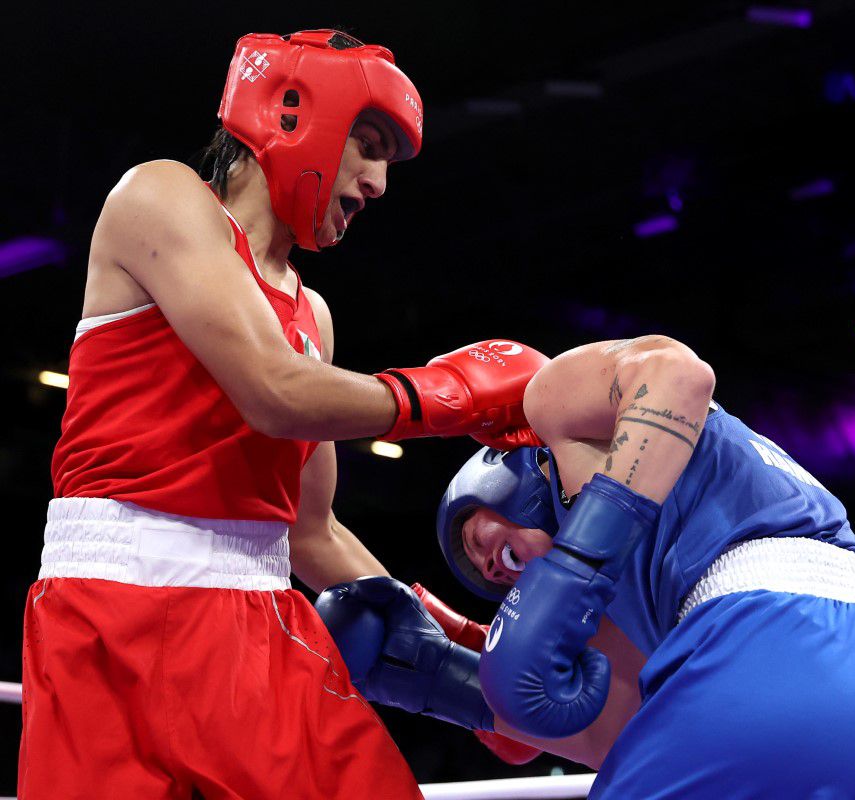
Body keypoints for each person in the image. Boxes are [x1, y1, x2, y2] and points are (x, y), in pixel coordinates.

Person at [21, 29, 547, 799]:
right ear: (293, 114)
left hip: (259, 618)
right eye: (368, 147)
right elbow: (273, 393)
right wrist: (442, 396)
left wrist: (464, 660)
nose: (377, 184)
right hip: (113, 609)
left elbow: (310, 529)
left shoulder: (312, 314)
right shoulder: (159, 197)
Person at [317, 335, 855, 798]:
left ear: (518, 478)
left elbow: (678, 373)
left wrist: (575, 563)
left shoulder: (560, 412)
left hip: (768, 638)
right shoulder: (645, 587)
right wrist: (448, 676)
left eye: (494, 547)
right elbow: (629, 737)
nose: (505, 577)